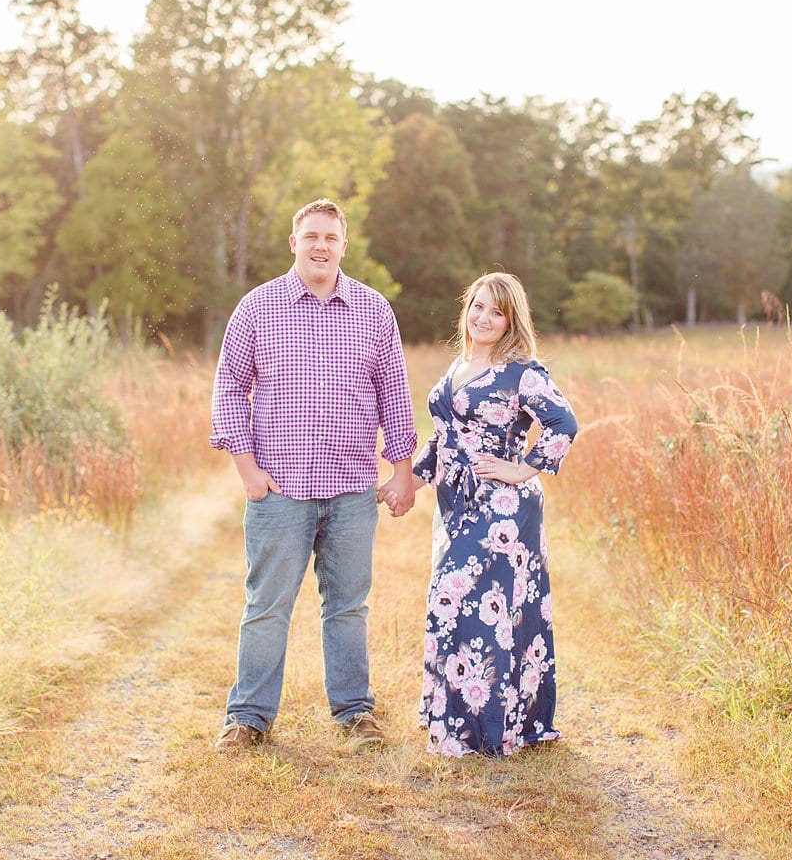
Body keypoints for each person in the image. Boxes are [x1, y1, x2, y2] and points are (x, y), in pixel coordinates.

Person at [209, 198, 419, 751]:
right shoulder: (258, 307)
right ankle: (249, 718)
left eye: (331, 237)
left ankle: (355, 713)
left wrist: (402, 472)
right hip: (280, 491)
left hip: (352, 488)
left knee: (347, 606)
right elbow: (229, 389)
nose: (321, 245)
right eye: (311, 236)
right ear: (294, 243)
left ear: (343, 246)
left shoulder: (374, 311)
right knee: (266, 606)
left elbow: (394, 395)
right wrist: (247, 469)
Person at [403, 272, 579, 757]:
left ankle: (478, 730)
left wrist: (521, 470)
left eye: (495, 311)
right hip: (457, 503)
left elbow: (565, 424)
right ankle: (467, 720)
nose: (483, 317)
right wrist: (408, 484)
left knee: (457, 600)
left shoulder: (522, 371)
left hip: (502, 507)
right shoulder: (459, 365)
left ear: (511, 320)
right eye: (477, 306)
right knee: (486, 609)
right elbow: (443, 440)